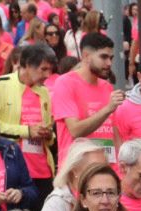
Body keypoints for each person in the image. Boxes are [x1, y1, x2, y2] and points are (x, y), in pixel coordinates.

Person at [0, 41, 55, 206]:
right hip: (12, 169)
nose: (47, 75)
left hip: (42, 171)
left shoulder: (44, 92)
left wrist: (48, 134)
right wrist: (27, 131)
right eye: (43, 69)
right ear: (28, 65)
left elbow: (49, 132)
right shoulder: (0, 84)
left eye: (50, 70)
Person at [48, 30, 122, 159]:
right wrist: (107, 109)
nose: (109, 63)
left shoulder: (107, 87)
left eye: (111, 58)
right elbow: (75, 130)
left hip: (108, 170)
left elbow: (114, 132)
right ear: (86, 56)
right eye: (103, 57)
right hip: (78, 171)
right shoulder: (65, 83)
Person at [35, 135, 105, 211]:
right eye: (95, 169)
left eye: (104, 169)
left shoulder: (108, 198)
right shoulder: (56, 204)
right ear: (75, 170)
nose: (103, 175)